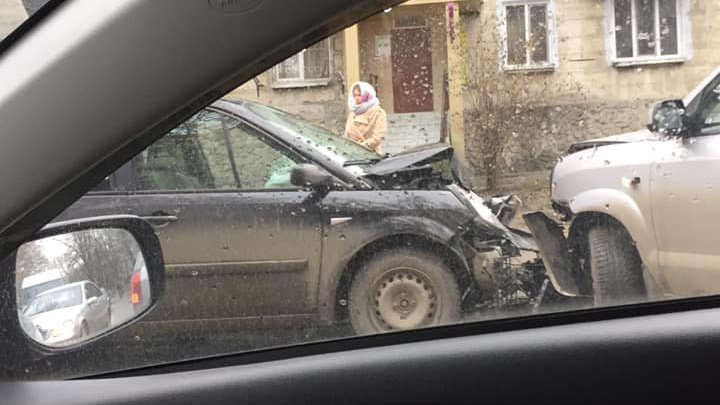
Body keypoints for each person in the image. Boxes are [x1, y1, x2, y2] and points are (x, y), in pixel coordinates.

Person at [344, 81, 387, 155]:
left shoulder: (378, 112)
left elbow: (378, 138)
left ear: (367, 95)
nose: (357, 98)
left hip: (371, 155)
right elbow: (347, 136)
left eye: (359, 95)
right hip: (352, 155)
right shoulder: (353, 113)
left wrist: (361, 147)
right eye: (355, 95)